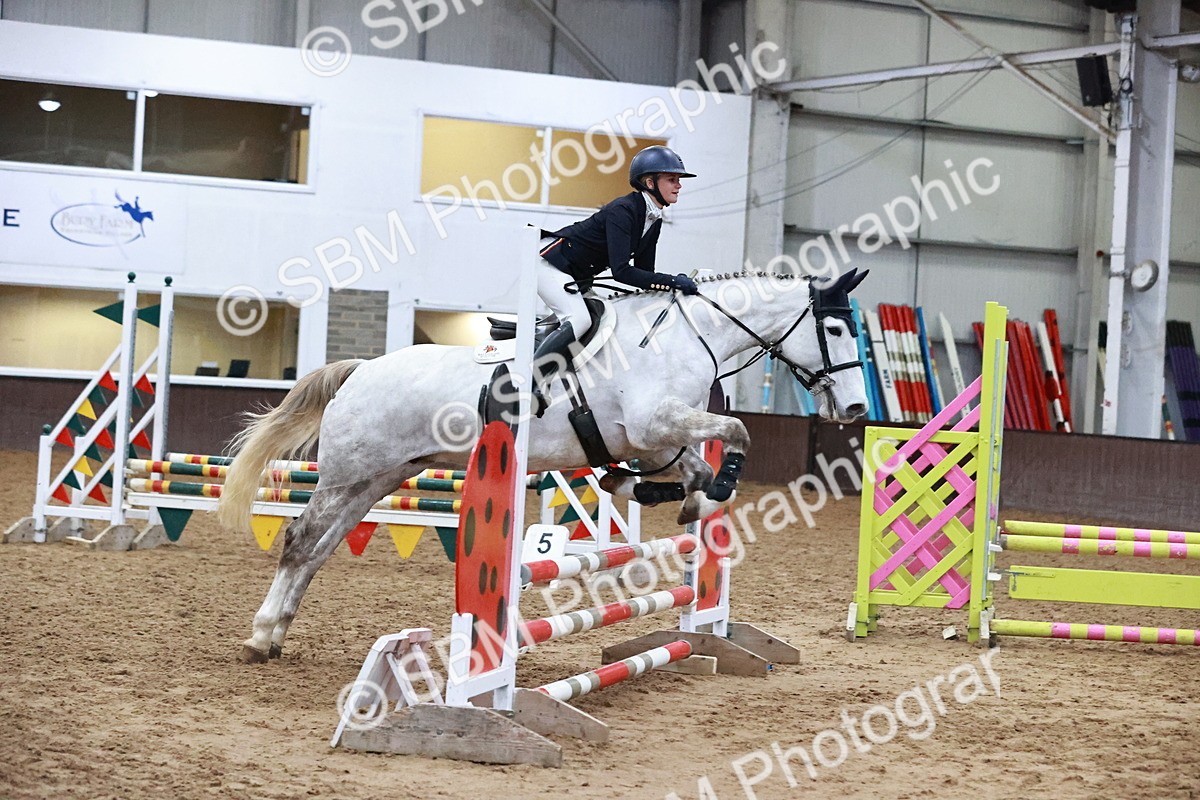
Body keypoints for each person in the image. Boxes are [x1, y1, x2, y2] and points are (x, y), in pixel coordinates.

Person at [531, 145, 700, 416]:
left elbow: (645, 273)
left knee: (604, 322)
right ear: (649, 182)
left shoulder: (652, 219)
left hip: (575, 275)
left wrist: (671, 285)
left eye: (678, 180)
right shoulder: (624, 209)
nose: (679, 186)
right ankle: (531, 383)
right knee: (580, 320)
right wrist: (672, 281)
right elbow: (622, 271)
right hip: (549, 264)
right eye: (672, 179)